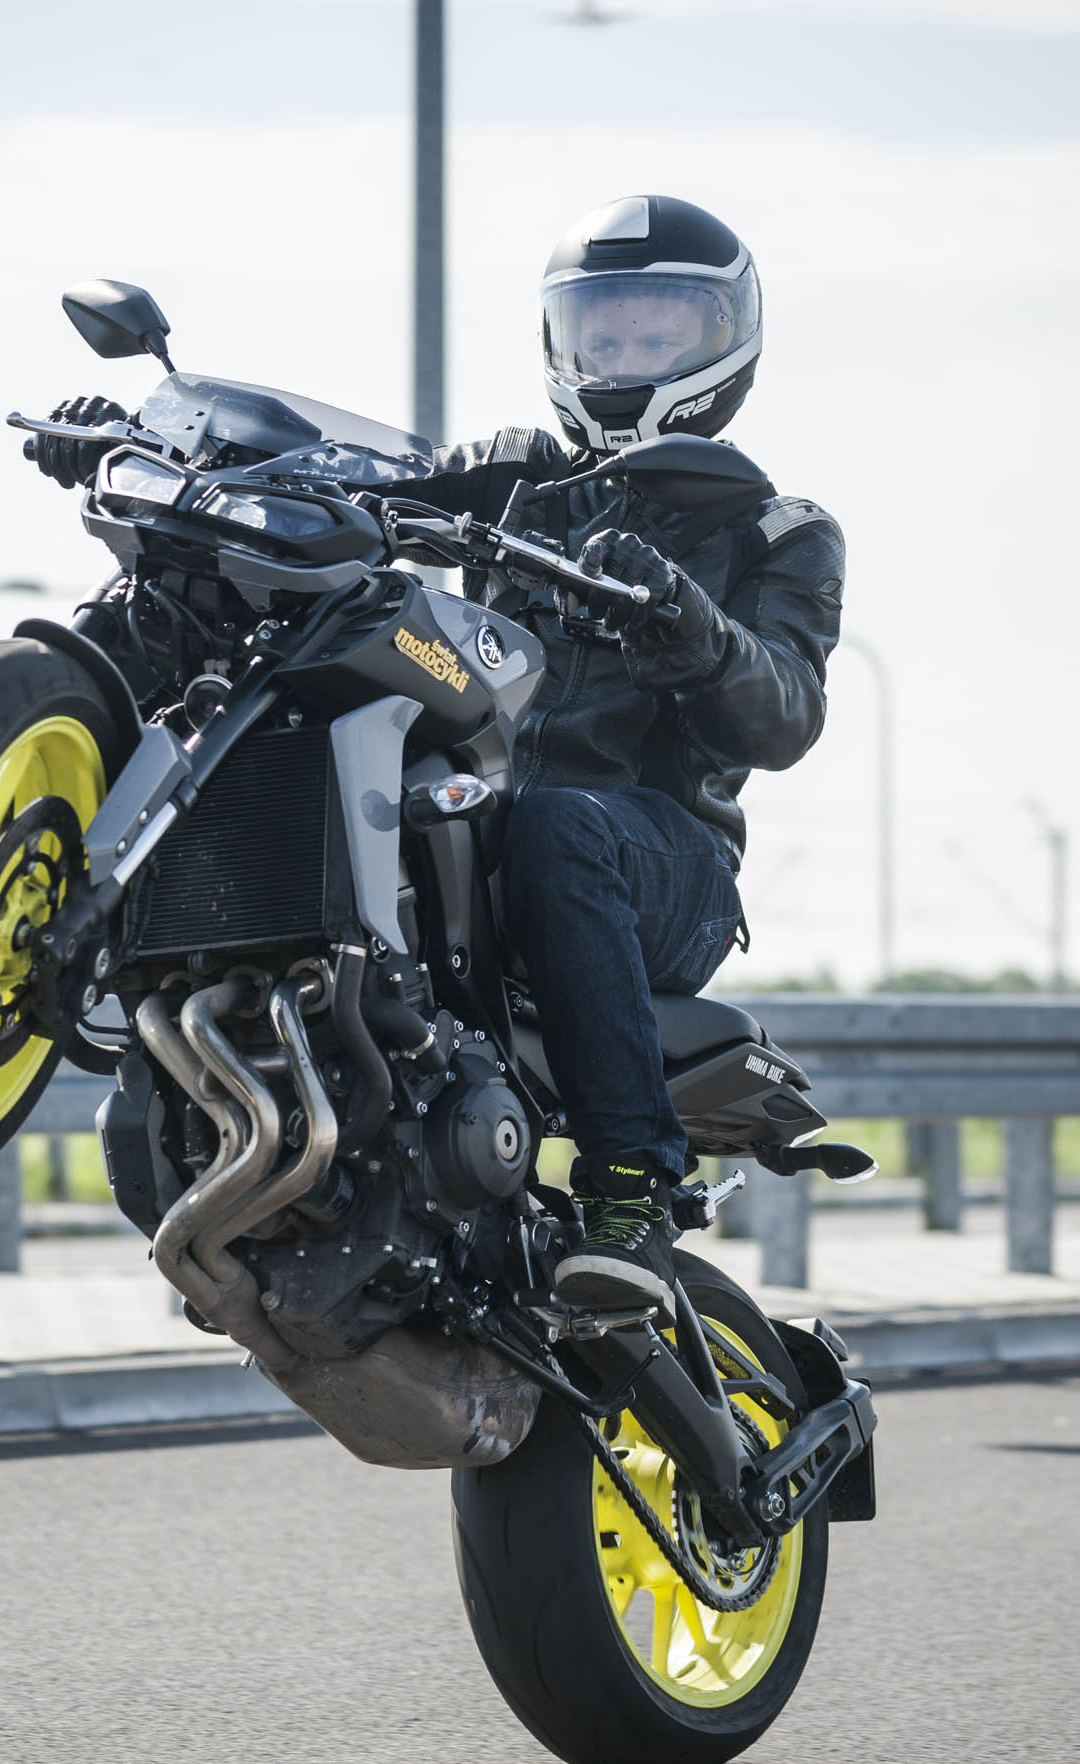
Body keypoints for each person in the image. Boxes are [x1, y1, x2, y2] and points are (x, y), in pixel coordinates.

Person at [411, 194, 845, 1319]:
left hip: (666, 873)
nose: (622, 355)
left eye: (656, 335)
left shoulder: (775, 529)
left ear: (721, 340)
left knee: (560, 820)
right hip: (488, 838)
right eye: (601, 335)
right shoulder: (512, 475)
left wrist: (687, 623)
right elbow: (361, 471)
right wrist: (183, 445)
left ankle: (627, 1191)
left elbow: (784, 714)